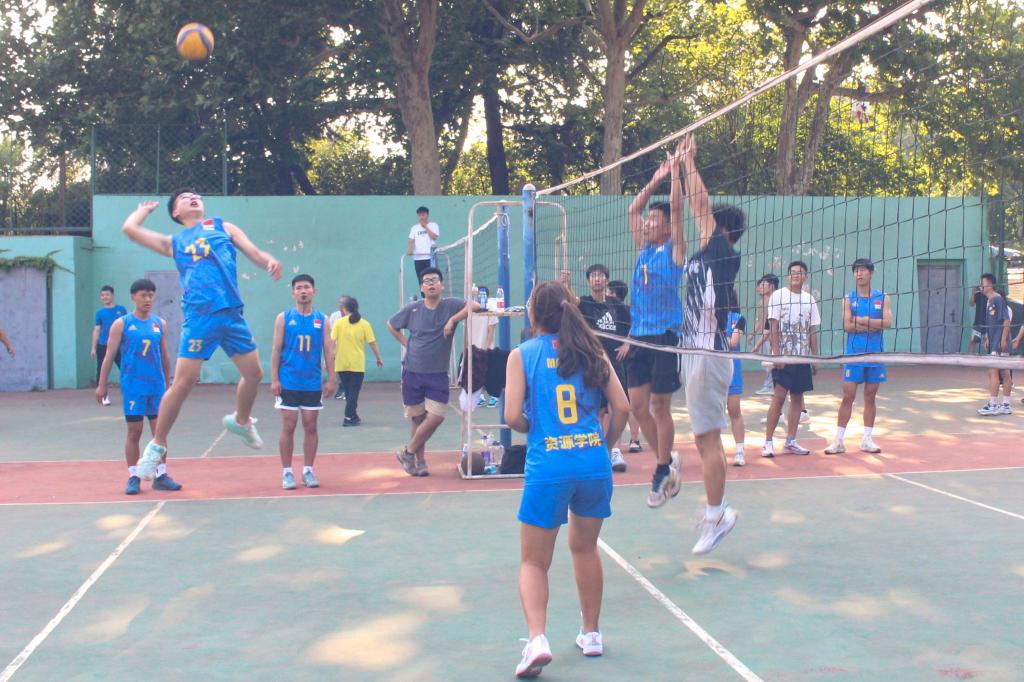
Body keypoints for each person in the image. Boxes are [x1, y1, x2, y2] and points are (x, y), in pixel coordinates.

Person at [504, 281, 629, 678]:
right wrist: (605, 446)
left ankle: (537, 640)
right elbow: (622, 407)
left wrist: (535, 427)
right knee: (586, 549)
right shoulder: (593, 350)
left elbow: (512, 417)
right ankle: (591, 634)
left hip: (549, 465)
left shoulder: (522, 355)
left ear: (534, 313)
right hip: (593, 462)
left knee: (533, 561)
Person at [121, 189, 282, 481]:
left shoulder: (224, 227)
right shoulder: (174, 243)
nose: (193, 198)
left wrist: (268, 261)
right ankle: (156, 446)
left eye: (196, 195)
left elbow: (255, 253)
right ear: (176, 212)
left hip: (231, 314)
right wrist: (143, 211)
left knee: (255, 374)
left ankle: (241, 421)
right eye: (185, 198)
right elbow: (130, 229)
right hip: (200, 318)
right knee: (183, 383)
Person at [678, 133, 742, 552]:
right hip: (694, 351)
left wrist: (689, 162)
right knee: (704, 438)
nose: (704, 224)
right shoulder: (705, 257)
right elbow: (692, 212)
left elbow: (699, 206)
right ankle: (716, 512)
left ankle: (717, 515)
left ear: (723, 230)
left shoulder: (720, 251)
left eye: (711, 223)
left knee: (708, 438)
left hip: (708, 352)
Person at [625, 146, 686, 508]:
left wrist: (676, 174)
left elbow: (677, 211)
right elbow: (632, 210)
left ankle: (662, 469)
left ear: (665, 228)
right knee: (637, 407)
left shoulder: (673, 251)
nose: (646, 223)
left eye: (653, 221)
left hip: (665, 337)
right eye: (647, 221)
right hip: (639, 336)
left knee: (660, 406)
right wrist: (655, 179)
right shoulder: (643, 250)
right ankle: (667, 457)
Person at [388, 267, 475, 476]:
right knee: (417, 419)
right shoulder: (413, 309)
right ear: (421, 288)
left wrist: (453, 320)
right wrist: (407, 344)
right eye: (426, 281)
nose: (431, 284)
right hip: (413, 371)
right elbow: (391, 325)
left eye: (435, 280)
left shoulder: (450, 305)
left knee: (436, 417)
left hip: (438, 373)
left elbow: (475, 305)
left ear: (441, 285)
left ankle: (408, 452)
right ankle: (419, 462)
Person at [95, 278, 178, 495]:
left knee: (159, 432)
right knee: (134, 432)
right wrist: (102, 384)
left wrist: (168, 382)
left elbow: (164, 355)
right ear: (133, 297)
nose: (148, 299)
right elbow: (109, 356)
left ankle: (161, 475)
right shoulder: (121, 324)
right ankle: (133, 476)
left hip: (156, 385)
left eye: (151, 295)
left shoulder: (160, 324)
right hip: (133, 385)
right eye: (143, 295)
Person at [270, 274, 335, 490]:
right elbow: (276, 349)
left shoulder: (322, 320)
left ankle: (308, 470)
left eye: (307, 287)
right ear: (293, 293)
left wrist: (331, 379)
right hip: (288, 380)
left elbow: (329, 351)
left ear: (314, 291)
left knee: (310, 426)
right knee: (288, 426)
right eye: (299, 288)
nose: (303, 291)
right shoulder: (284, 318)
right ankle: (287, 472)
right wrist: (274, 379)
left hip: (312, 382)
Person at [825, 258, 893, 454]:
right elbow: (847, 326)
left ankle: (867, 440)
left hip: (875, 355)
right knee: (848, 396)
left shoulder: (883, 297)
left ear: (871, 273)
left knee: (870, 396)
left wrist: (861, 320)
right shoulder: (849, 298)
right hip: (853, 355)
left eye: (863, 270)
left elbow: (887, 323)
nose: (859, 274)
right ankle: (838, 441)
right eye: (856, 271)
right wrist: (873, 323)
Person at [576, 264, 631, 472]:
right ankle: (598, 451)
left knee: (617, 407)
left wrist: (627, 344)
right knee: (596, 409)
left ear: (606, 280)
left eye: (600, 276)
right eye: (593, 276)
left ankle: (615, 451)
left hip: (615, 363)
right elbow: (570, 301)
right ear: (588, 281)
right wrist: (566, 284)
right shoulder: (584, 303)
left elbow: (633, 324)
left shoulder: (616, 304)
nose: (597, 279)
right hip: (593, 362)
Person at [763, 260, 820, 457]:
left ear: (805, 277)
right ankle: (768, 442)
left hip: (801, 358)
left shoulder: (809, 300)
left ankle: (791, 441)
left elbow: (812, 331)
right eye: (793, 272)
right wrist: (777, 355)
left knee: (797, 398)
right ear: (788, 276)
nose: (796, 275)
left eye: (800, 272)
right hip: (784, 357)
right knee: (779, 397)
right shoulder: (778, 296)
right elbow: (773, 327)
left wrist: (815, 358)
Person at [332, 296, 383, 426]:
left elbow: (332, 343)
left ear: (344, 309)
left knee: (349, 392)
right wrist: (378, 358)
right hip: (357, 364)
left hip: (341, 363)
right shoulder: (364, 324)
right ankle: (348, 417)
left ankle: (353, 415)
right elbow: (372, 343)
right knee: (353, 392)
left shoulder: (338, 323)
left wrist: (330, 359)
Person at [607, 279, 642, 453]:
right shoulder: (607, 310)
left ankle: (633, 440)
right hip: (614, 359)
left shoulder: (625, 310)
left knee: (625, 403)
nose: (607, 294)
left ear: (614, 293)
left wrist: (627, 344)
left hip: (627, 361)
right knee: (616, 405)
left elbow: (637, 327)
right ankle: (621, 444)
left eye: (609, 291)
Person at [977, 273, 1012, 416]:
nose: (980, 286)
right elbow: (992, 323)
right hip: (994, 341)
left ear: (990, 285)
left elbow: (1006, 320)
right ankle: (1006, 405)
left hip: (999, 342)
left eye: (982, 283)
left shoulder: (997, 299)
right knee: (1003, 372)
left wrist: (1003, 339)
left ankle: (993, 405)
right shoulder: (989, 301)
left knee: (994, 371)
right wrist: (988, 338)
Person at [91, 285, 127, 406]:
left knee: (126, 368)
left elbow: (126, 327)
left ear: (112, 295)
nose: (105, 297)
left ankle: (129, 393)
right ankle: (104, 396)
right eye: (102, 295)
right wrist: (93, 348)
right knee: (102, 370)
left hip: (120, 346)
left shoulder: (121, 310)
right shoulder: (99, 313)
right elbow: (97, 330)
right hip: (103, 345)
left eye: (107, 294)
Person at [467, 285, 500, 408]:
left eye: (483, 294)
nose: (480, 297)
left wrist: (485, 349)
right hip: (474, 348)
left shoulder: (490, 311)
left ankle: (494, 397)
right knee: (476, 374)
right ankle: (479, 396)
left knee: (490, 373)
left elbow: (491, 332)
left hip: (487, 348)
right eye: (478, 294)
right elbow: (467, 331)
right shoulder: (469, 311)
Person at [749, 274, 779, 395]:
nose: (759, 287)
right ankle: (771, 386)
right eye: (759, 285)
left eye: (763, 285)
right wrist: (752, 334)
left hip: (773, 337)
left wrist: (767, 340)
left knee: (771, 363)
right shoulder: (761, 302)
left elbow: (770, 325)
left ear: (772, 286)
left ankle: (770, 386)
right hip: (765, 337)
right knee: (768, 363)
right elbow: (760, 322)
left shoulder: (775, 301)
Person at [726, 309, 746, 466]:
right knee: (712, 414)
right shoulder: (707, 316)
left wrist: (715, 338)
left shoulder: (739, 318)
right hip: (712, 373)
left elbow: (733, 342)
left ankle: (740, 451)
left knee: (734, 410)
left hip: (732, 373)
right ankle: (714, 451)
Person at [407, 206, 439, 282]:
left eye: (423, 215)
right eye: (419, 215)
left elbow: (434, 237)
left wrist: (425, 227)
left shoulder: (434, 225)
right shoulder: (414, 228)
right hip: (418, 258)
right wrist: (409, 250)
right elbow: (411, 240)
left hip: (430, 257)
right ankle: (422, 290)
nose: (421, 217)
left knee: (432, 279)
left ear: (427, 215)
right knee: (421, 280)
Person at [328, 296, 347, 399]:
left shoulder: (353, 316)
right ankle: (341, 387)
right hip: (337, 347)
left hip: (349, 347)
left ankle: (348, 389)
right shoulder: (334, 316)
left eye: (343, 303)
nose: (340, 304)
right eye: (339, 302)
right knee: (338, 369)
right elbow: (330, 332)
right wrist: (332, 349)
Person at [966, 286, 987, 354]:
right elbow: (971, 304)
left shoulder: (991, 294)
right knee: (973, 341)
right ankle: (969, 358)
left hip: (989, 323)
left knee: (989, 342)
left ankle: (992, 358)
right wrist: (973, 294)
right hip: (978, 322)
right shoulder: (978, 294)